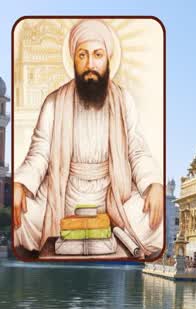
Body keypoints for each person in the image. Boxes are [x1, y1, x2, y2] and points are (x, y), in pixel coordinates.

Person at [13, 19, 163, 257]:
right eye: (82, 55)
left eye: (97, 55)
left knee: (157, 222)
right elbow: (39, 152)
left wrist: (153, 184)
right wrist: (21, 184)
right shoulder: (54, 102)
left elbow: (137, 150)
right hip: (63, 192)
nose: (90, 63)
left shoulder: (123, 100)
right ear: (73, 59)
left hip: (112, 192)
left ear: (108, 59)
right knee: (23, 216)